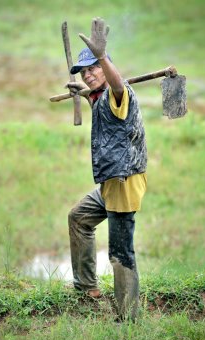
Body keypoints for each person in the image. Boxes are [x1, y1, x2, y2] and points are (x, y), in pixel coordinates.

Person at [66, 17, 147, 322]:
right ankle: (87, 288)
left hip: (124, 182)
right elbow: (106, 111)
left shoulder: (118, 92)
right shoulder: (101, 98)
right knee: (79, 218)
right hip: (110, 183)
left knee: (120, 252)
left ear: (106, 66)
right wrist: (85, 93)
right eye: (84, 71)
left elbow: (116, 86)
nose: (88, 75)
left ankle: (128, 319)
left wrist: (100, 55)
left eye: (94, 68)